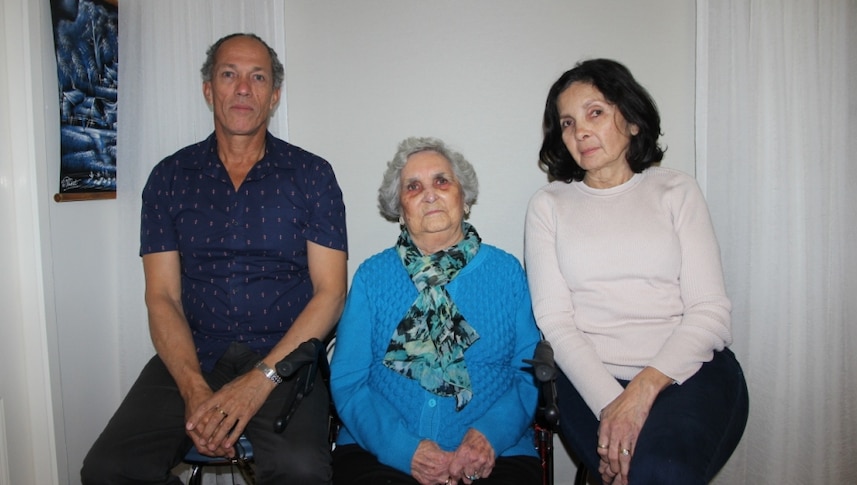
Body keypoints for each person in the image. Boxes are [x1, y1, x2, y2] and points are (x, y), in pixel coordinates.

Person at [81, 33, 347, 484]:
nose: (243, 88)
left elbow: (331, 292)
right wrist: (192, 388)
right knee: (109, 470)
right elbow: (162, 296)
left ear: (274, 95)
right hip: (194, 353)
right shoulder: (168, 178)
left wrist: (261, 379)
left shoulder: (312, 176)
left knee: (301, 471)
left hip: (284, 358)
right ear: (209, 90)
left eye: (257, 77)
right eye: (229, 75)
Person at [524, 59, 748, 485]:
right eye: (567, 122)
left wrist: (642, 393)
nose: (580, 131)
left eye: (595, 112)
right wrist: (617, 408)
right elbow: (555, 322)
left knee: (662, 469)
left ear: (631, 121)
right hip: (589, 377)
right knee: (636, 468)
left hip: (687, 371)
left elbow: (710, 312)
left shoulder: (676, 190)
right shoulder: (548, 205)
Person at [330, 137, 542, 485]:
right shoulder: (372, 277)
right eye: (413, 187)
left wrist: (488, 436)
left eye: (441, 181)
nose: (430, 194)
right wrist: (404, 448)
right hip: (377, 451)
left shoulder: (507, 273)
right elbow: (348, 381)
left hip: (497, 452)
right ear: (400, 210)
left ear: (464, 197)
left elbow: (529, 374)